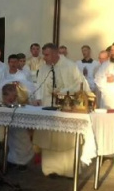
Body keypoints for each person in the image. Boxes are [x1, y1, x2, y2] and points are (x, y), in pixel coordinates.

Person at [33, 43, 91, 176]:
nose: (44, 58)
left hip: (66, 107)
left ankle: (69, 171)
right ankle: (50, 169)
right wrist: (38, 98)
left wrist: (62, 92)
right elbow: (39, 84)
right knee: (49, 138)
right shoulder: (44, 68)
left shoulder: (70, 66)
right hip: (47, 106)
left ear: (55, 54)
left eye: (47, 55)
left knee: (66, 139)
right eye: (44, 55)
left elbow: (80, 85)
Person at [1, 84, 34, 169]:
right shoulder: (4, 103)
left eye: (14, 97)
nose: (11, 99)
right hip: (11, 128)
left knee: (22, 143)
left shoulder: (18, 104)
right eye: (9, 97)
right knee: (12, 144)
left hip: (20, 128)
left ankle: (22, 162)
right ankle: (12, 161)